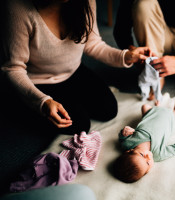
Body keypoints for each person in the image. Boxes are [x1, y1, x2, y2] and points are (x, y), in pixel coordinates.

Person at [0, 0, 154, 135]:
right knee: (80, 125)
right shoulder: (17, 7)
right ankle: (20, 102)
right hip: (38, 80)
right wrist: (42, 101)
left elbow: (93, 44)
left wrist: (126, 56)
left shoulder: (85, 1)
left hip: (73, 70)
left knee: (108, 109)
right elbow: (13, 68)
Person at [114, 94, 175, 183]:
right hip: (169, 120)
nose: (148, 157)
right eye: (148, 163)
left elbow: (121, 138)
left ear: (129, 151)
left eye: (141, 155)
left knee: (144, 107)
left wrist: (124, 133)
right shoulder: (158, 154)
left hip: (151, 114)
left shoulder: (128, 143)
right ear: (148, 170)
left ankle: (157, 107)